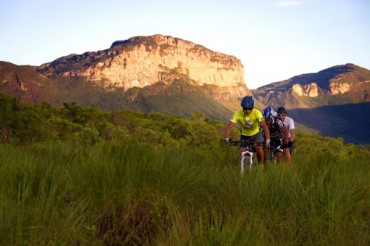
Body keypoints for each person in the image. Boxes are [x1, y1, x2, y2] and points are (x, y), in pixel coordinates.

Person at [224, 95, 270, 165]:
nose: (247, 111)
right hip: (244, 135)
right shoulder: (237, 113)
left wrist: (268, 138)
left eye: (250, 108)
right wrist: (227, 137)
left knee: (258, 148)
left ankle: (261, 165)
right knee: (240, 152)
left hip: (256, 134)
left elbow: (264, 126)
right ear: (242, 107)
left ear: (253, 107)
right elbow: (229, 126)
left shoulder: (257, 113)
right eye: (245, 109)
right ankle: (241, 169)